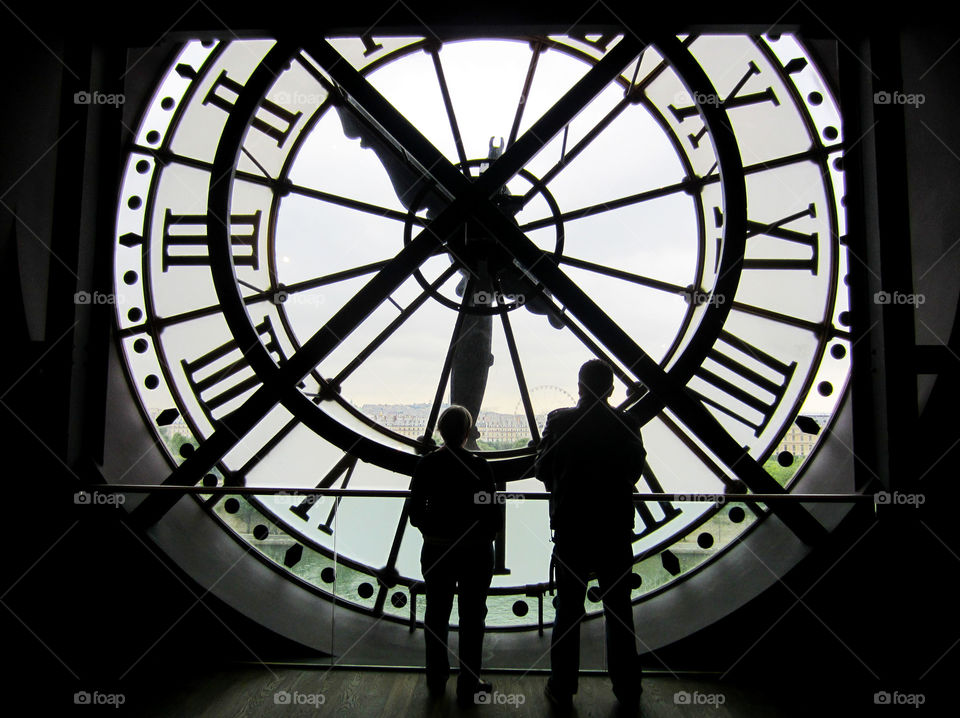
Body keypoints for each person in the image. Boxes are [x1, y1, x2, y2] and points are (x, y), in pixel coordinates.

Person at [535, 359, 646, 711]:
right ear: (611, 389)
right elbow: (633, 471)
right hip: (614, 528)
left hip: (572, 528)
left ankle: (563, 685)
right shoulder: (626, 423)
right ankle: (627, 686)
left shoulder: (559, 420)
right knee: (619, 609)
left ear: (579, 387)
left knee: (568, 609)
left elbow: (542, 468)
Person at [408, 405, 502, 706]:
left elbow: (416, 512)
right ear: (467, 433)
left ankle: (436, 680)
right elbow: (490, 513)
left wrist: (432, 530)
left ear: (440, 431)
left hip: (437, 548)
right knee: (473, 618)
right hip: (474, 552)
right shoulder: (480, 466)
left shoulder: (427, 466)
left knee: (436, 615)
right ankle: (469, 683)